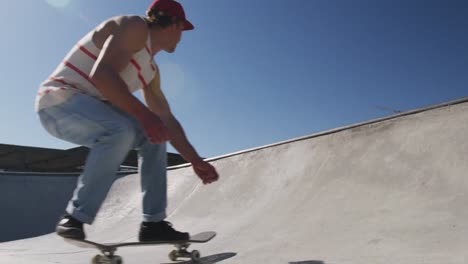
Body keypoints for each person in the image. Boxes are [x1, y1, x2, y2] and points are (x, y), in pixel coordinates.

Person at [35, 0, 219, 242]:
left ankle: (153, 224)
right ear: (175, 26)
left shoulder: (151, 71)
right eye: (182, 30)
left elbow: (166, 118)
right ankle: (74, 217)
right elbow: (102, 75)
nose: (181, 37)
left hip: (90, 111)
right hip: (58, 102)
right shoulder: (135, 27)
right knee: (121, 131)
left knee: (155, 135)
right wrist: (144, 116)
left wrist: (195, 160)